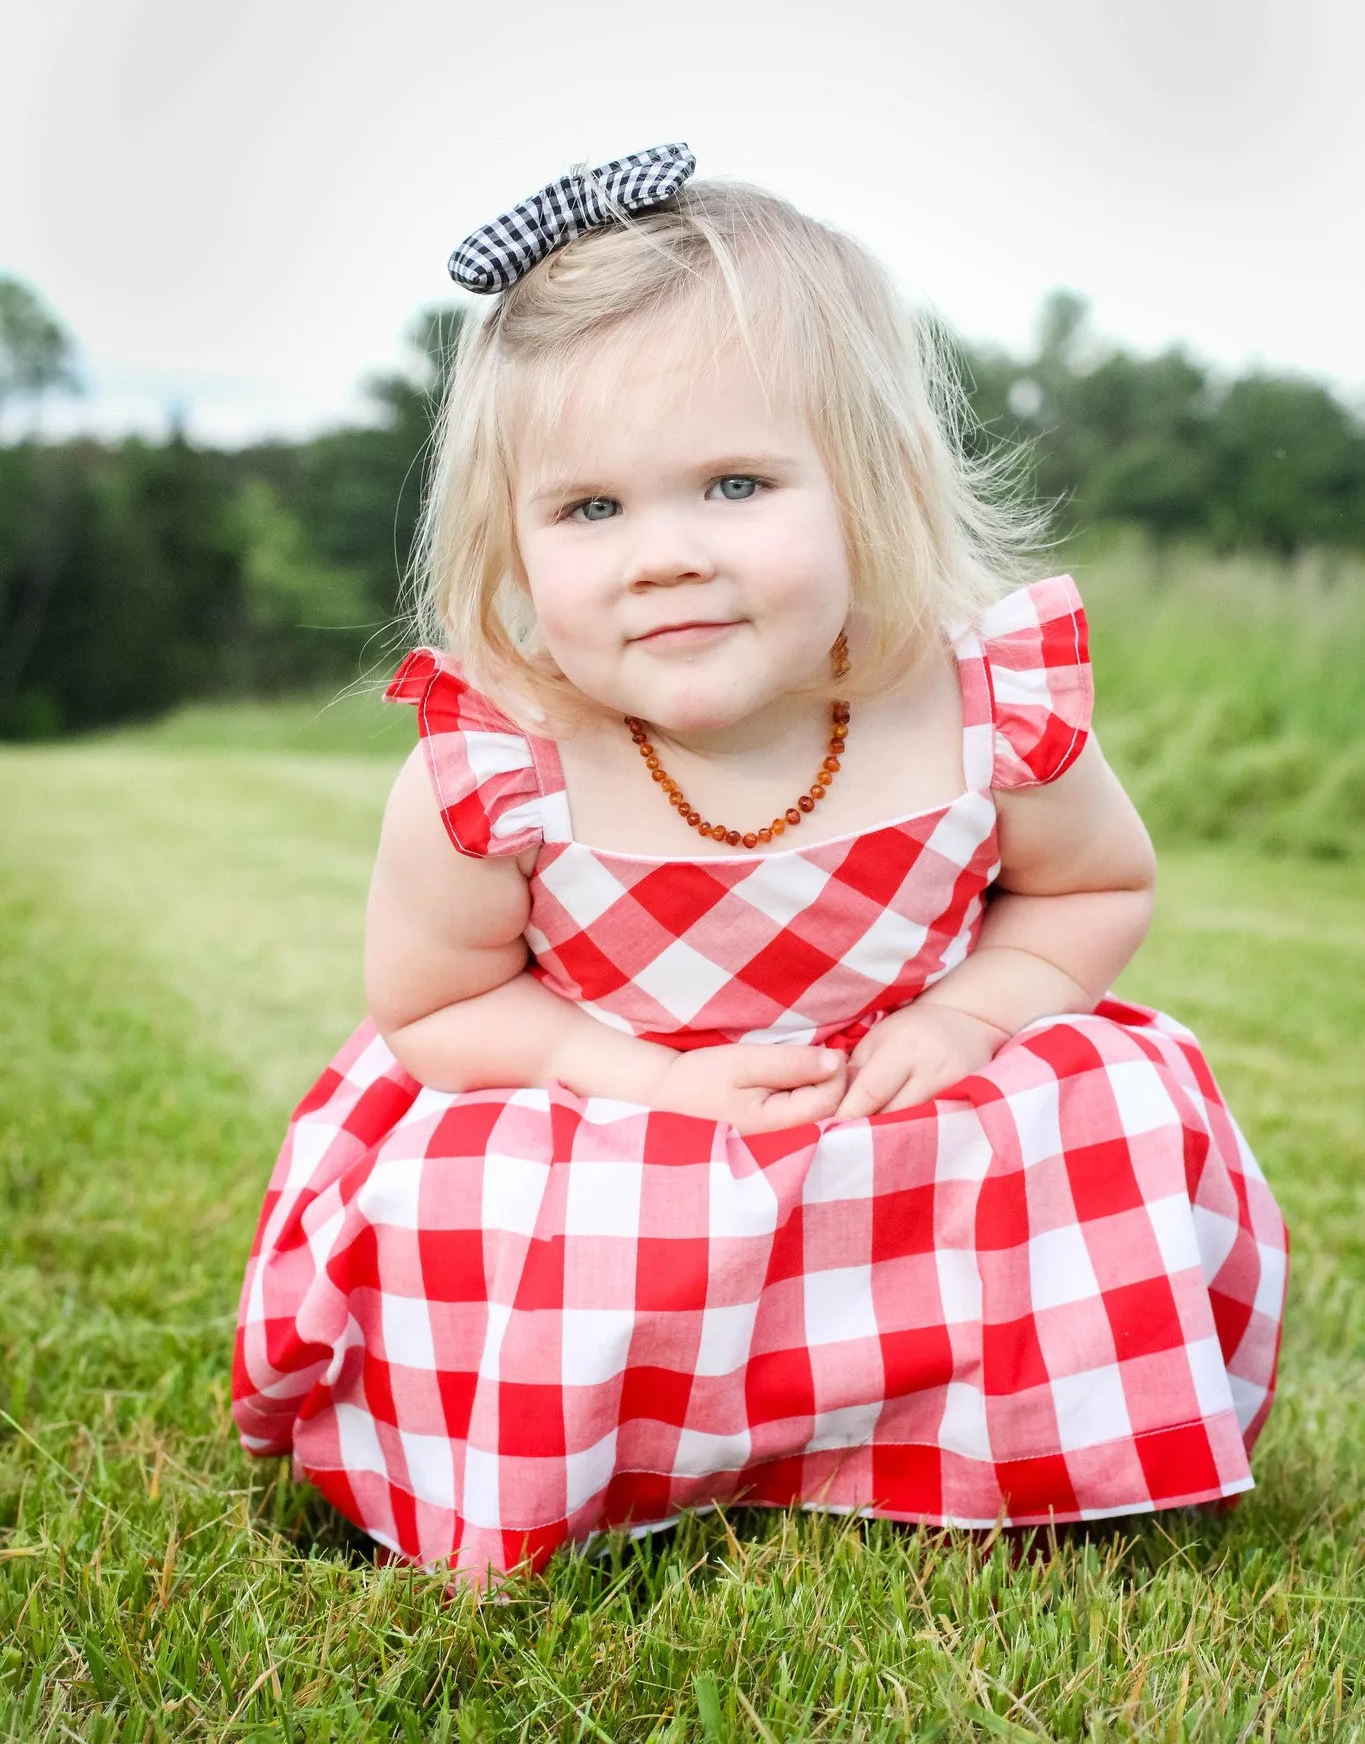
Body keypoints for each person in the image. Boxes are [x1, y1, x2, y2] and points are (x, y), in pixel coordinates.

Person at [233, 145, 1286, 1584]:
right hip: (621, 1109)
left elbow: (1092, 887)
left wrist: (966, 1019)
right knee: (485, 1197)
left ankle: (965, 1444)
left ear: (870, 485)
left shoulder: (975, 708)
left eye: (734, 484)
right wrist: (655, 1082)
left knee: (1111, 1102)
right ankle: (617, 1463)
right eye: (590, 510)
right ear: (512, 544)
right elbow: (436, 1014)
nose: (663, 556)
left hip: (886, 1105)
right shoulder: (504, 769)